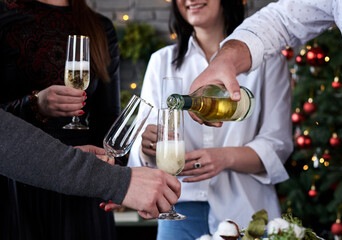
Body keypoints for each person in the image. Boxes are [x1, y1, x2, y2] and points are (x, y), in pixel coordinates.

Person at [127, 0, 293, 239]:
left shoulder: (268, 61)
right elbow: (141, 151)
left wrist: (224, 158)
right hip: (177, 210)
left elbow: (277, 145)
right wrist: (147, 147)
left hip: (245, 212)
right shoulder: (161, 62)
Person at [0, 0, 120, 239]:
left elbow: (108, 121)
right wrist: (34, 105)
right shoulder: (4, 15)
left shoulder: (99, 27)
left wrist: (115, 174)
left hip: (82, 189)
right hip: (16, 189)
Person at [0, 108, 181, 239]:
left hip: (84, 195)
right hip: (17, 196)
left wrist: (113, 175)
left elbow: (106, 120)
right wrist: (117, 181)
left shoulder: (105, 54)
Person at [190, 0, 342, 110]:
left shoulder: (273, 63)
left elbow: (276, 141)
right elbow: (281, 19)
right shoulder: (162, 59)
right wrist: (226, 58)